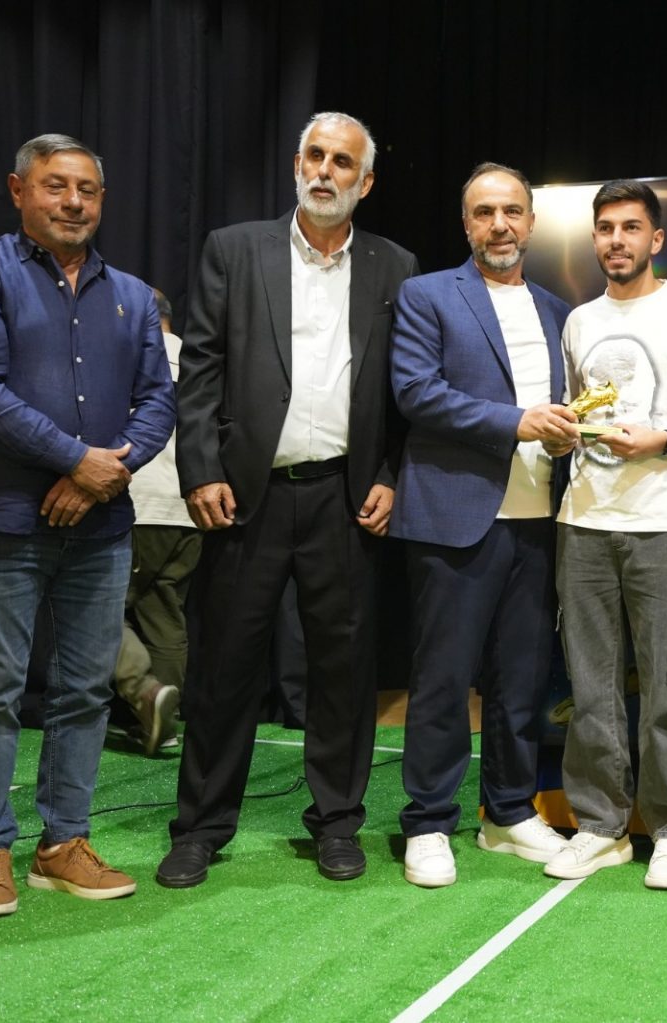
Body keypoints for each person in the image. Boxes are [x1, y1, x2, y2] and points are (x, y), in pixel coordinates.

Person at [161, 112, 418, 887]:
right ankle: (200, 828)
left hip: (346, 496)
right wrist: (200, 468)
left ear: (365, 182)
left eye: (342, 162)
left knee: (344, 670)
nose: (325, 171)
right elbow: (199, 369)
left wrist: (391, 474)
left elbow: (406, 390)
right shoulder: (234, 249)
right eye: (315, 155)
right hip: (246, 495)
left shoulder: (395, 266)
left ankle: (337, 822)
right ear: (297, 164)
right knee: (223, 667)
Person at [0, 133, 175, 917]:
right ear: (18, 191)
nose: (73, 202)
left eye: (87, 190)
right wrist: (76, 460)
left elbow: (158, 401)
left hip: (100, 526)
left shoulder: (131, 294)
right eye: (55, 186)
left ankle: (63, 843)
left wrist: (100, 477)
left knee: (85, 692)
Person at [543, 180, 667, 889]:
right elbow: (574, 413)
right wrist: (561, 434)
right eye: (605, 228)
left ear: (656, 239)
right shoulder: (579, 321)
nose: (616, 240)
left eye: (631, 227)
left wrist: (665, 439)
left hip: (666, 526)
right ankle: (600, 827)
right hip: (584, 524)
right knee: (590, 688)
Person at [389, 162, 577, 888]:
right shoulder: (428, 294)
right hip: (454, 517)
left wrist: (562, 436)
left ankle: (507, 810)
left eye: (511, 211)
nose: (499, 225)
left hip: (539, 520)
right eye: (484, 212)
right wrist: (517, 422)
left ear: (531, 221)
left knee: (521, 680)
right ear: (465, 223)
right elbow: (416, 391)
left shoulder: (559, 310)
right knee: (443, 679)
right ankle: (428, 820)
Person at [111, 287, 198, 756]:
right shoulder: (201, 360)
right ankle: (165, 724)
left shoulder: (123, 352)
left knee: (93, 609)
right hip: (189, 509)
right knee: (165, 614)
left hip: (137, 503)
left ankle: (144, 693)